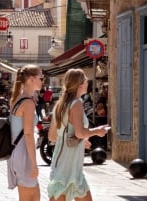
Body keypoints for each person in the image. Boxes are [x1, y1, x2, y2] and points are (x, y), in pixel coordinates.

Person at [47, 69, 109, 201]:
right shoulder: (77, 103)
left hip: (61, 160)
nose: (88, 81)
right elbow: (80, 132)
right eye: (86, 79)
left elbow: (52, 136)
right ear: (79, 84)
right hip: (71, 162)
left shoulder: (60, 104)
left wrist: (80, 140)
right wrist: (98, 130)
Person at [8, 64, 43, 201]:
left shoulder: (19, 99)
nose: (42, 80)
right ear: (31, 79)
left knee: (32, 196)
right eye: (41, 77)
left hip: (18, 153)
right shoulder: (27, 103)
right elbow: (28, 134)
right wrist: (34, 164)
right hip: (23, 155)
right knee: (31, 197)